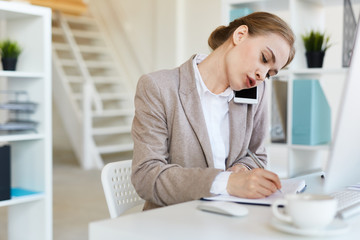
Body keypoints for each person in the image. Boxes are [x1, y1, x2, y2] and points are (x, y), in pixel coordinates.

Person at [131, 11, 295, 210]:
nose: (262, 74)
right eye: (264, 58)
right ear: (240, 35)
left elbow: (257, 156)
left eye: (270, 73)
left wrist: (241, 170)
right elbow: (147, 176)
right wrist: (227, 182)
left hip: (231, 216)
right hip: (176, 220)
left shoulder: (256, 92)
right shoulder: (158, 88)